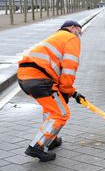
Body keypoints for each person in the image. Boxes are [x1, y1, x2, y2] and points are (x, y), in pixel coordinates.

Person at [17, 20, 86, 162]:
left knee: (50, 110)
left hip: (25, 77)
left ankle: (51, 140)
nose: (80, 35)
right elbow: (68, 70)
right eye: (80, 31)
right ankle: (37, 147)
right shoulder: (71, 38)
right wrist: (66, 90)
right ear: (73, 28)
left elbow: (58, 74)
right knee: (61, 114)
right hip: (40, 79)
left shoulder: (56, 37)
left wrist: (73, 93)